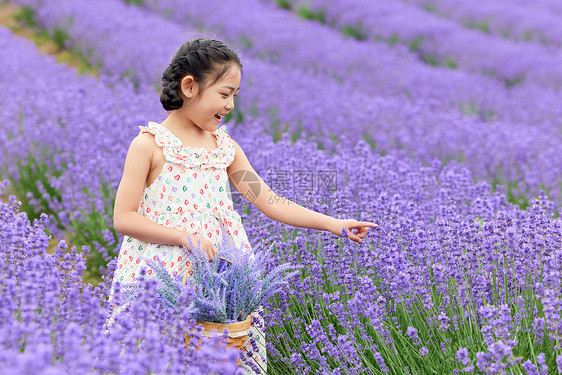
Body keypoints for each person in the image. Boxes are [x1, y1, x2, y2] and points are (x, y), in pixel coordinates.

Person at [108, 38, 377, 374]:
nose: (231, 105)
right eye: (225, 94)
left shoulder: (226, 149)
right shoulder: (149, 146)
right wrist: (183, 237)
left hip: (220, 278)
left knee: (225, 358)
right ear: (189, 86)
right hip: (161, 276)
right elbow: (124, 217)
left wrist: (332, 223)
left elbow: (269, 200)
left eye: (235, 96)